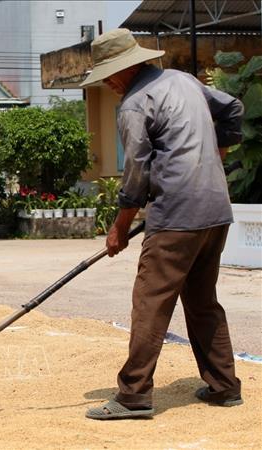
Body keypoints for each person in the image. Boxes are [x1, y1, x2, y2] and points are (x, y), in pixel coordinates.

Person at [79, 29, 244, 419]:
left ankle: (133, 395)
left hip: (178, 215)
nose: (107, 82)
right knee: (202, 301)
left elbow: (135, 172)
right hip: (215, 209)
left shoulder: (135, 104)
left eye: (109, 74)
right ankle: (224, 386)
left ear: (129, 67)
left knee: (150, 302)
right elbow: (233, 108)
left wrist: (120, 226)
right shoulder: (184, 81)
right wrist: (218, 151)